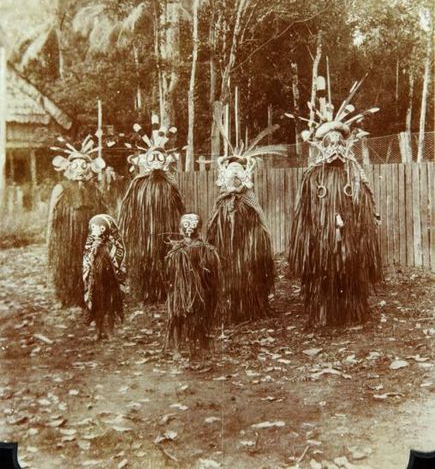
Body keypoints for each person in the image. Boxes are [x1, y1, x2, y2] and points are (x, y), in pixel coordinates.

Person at [288, 75, 382, 326]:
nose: (335, 145)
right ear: (321, 144)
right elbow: (303, 214)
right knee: (324, 272)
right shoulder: (313, 176)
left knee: (349, 272)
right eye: (329, 141)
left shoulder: (354, 172)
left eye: (339, 140)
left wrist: (357, 228)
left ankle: (352, 314)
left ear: (345, 142)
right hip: (321, 238)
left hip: (350, 237)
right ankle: (324, 315)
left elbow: (364, 204)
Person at [206, 119, 286, 324]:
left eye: (237, 172)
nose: (234, 175)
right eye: (231, 171)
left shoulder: (250, 199)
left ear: (244, 175)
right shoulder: (222, 200)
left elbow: (259, 221)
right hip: (228, 253)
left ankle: (251, 308)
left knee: (248, 277)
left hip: (247, 251)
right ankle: (229, 309)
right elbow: (213, 227)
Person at [118, 115, 185, 304]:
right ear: (145, 160)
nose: (156, 160)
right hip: (144, 232)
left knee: (165, 257)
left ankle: (166, 291)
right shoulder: (138, 183)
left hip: (167, 230)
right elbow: (128, 209)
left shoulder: (170, 182)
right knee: (146, 258)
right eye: (152, 157)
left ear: (165, 160)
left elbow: (179, 206)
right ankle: (146, 292)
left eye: (160, 157)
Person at [47, 135, 107, 307]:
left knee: (89, 263)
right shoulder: (61, 188)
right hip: (67, 237)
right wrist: (52, 235)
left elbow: (103, 212)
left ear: (89, 167)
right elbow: (52, 215)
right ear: (68, 166)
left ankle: (87, 295)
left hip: (89, 235)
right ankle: (67, 296)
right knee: (68, 264)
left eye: (83, 165)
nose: (80, 169)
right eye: (75, 165)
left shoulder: (94, 189)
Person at [164, 213, 221, 359]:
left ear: (180, 230)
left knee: (197, 316)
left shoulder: (204, 249)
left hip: (197, 291)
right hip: (182, 292)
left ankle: (199, 346)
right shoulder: (177, 251)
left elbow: (211, 273)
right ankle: (180, 348)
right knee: (178, 317)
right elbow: (169, 272)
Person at [82, 214, 126, 340]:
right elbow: (86, 260)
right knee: (96, 303)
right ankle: (98, 330)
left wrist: (105, 249)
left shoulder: (111, 244)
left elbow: (119, 257)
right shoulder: (91, 245)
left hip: (110, 280)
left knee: (111, 303)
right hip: (95, 280)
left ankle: (110, 330)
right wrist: (93, 252)